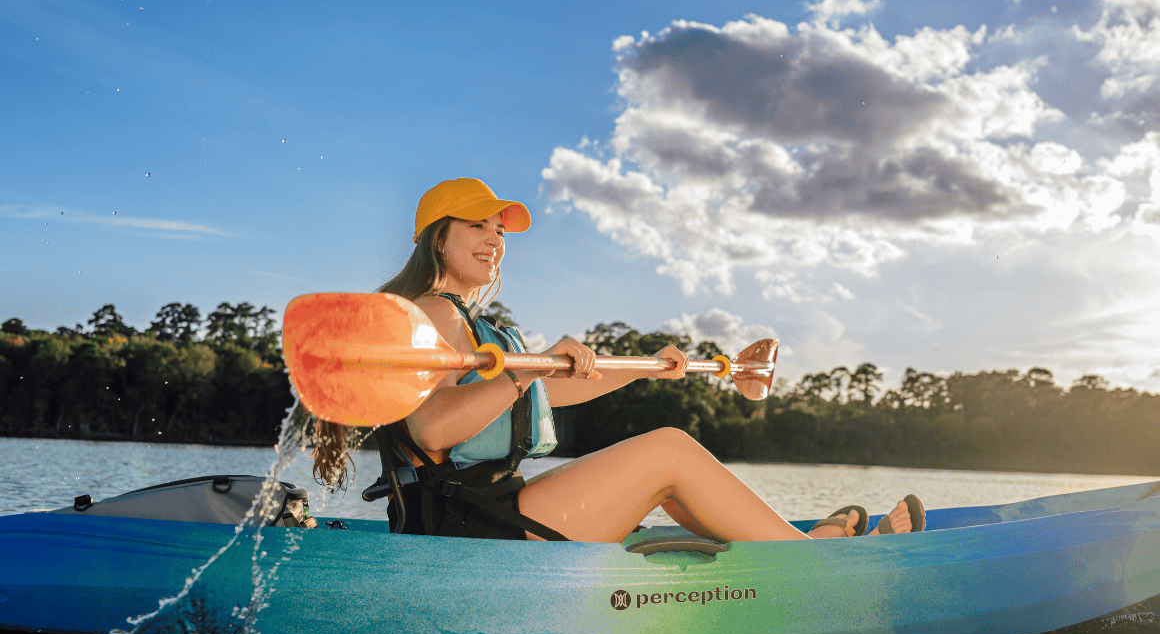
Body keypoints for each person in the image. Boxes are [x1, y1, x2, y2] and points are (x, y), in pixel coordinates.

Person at [311, 177, 925, 543]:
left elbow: (547, 397)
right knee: (668, 451)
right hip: (464, 526)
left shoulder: (474, 325)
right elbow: (434, 428)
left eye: (500, 231)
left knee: (663, 465)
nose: (495, 240)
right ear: (436, 236)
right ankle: (818, 560)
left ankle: (795, 546)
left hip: (489, 510)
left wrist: (646, 366)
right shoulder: (432, 313)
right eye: (478, 225)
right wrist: (528, 366)